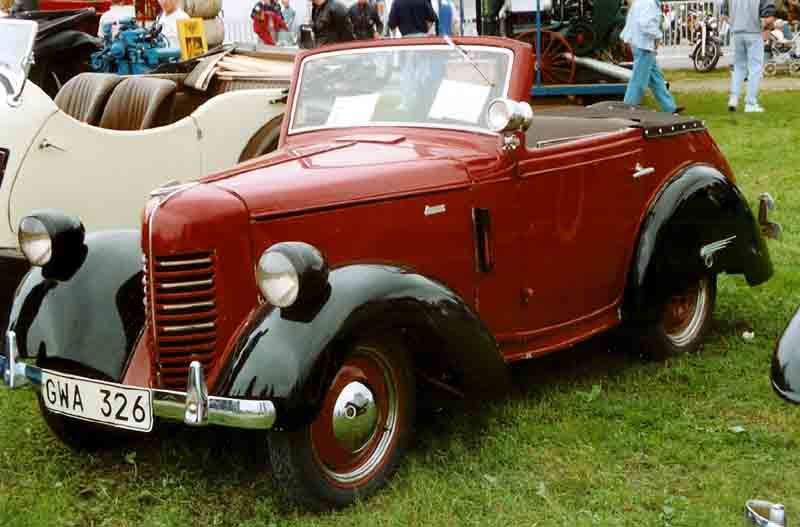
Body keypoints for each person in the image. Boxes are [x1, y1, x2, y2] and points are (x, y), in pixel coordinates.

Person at [621, 0, 681, 114]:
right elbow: (646, 24)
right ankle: (627, 110)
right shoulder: (649, 3)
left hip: (641, 44)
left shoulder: (643, 2)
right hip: (644, 46)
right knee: (639, 81)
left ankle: (669, 107)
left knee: (656, 79)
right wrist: (658, 35)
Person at [721, 0, 776, 112]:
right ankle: (750, 103)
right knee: (755, 69)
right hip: (754, 32)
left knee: (739, 67)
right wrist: (767, 27)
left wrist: (734, 23)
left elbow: (724, 15)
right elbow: (768, 17)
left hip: (737, 33)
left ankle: (733, 98)